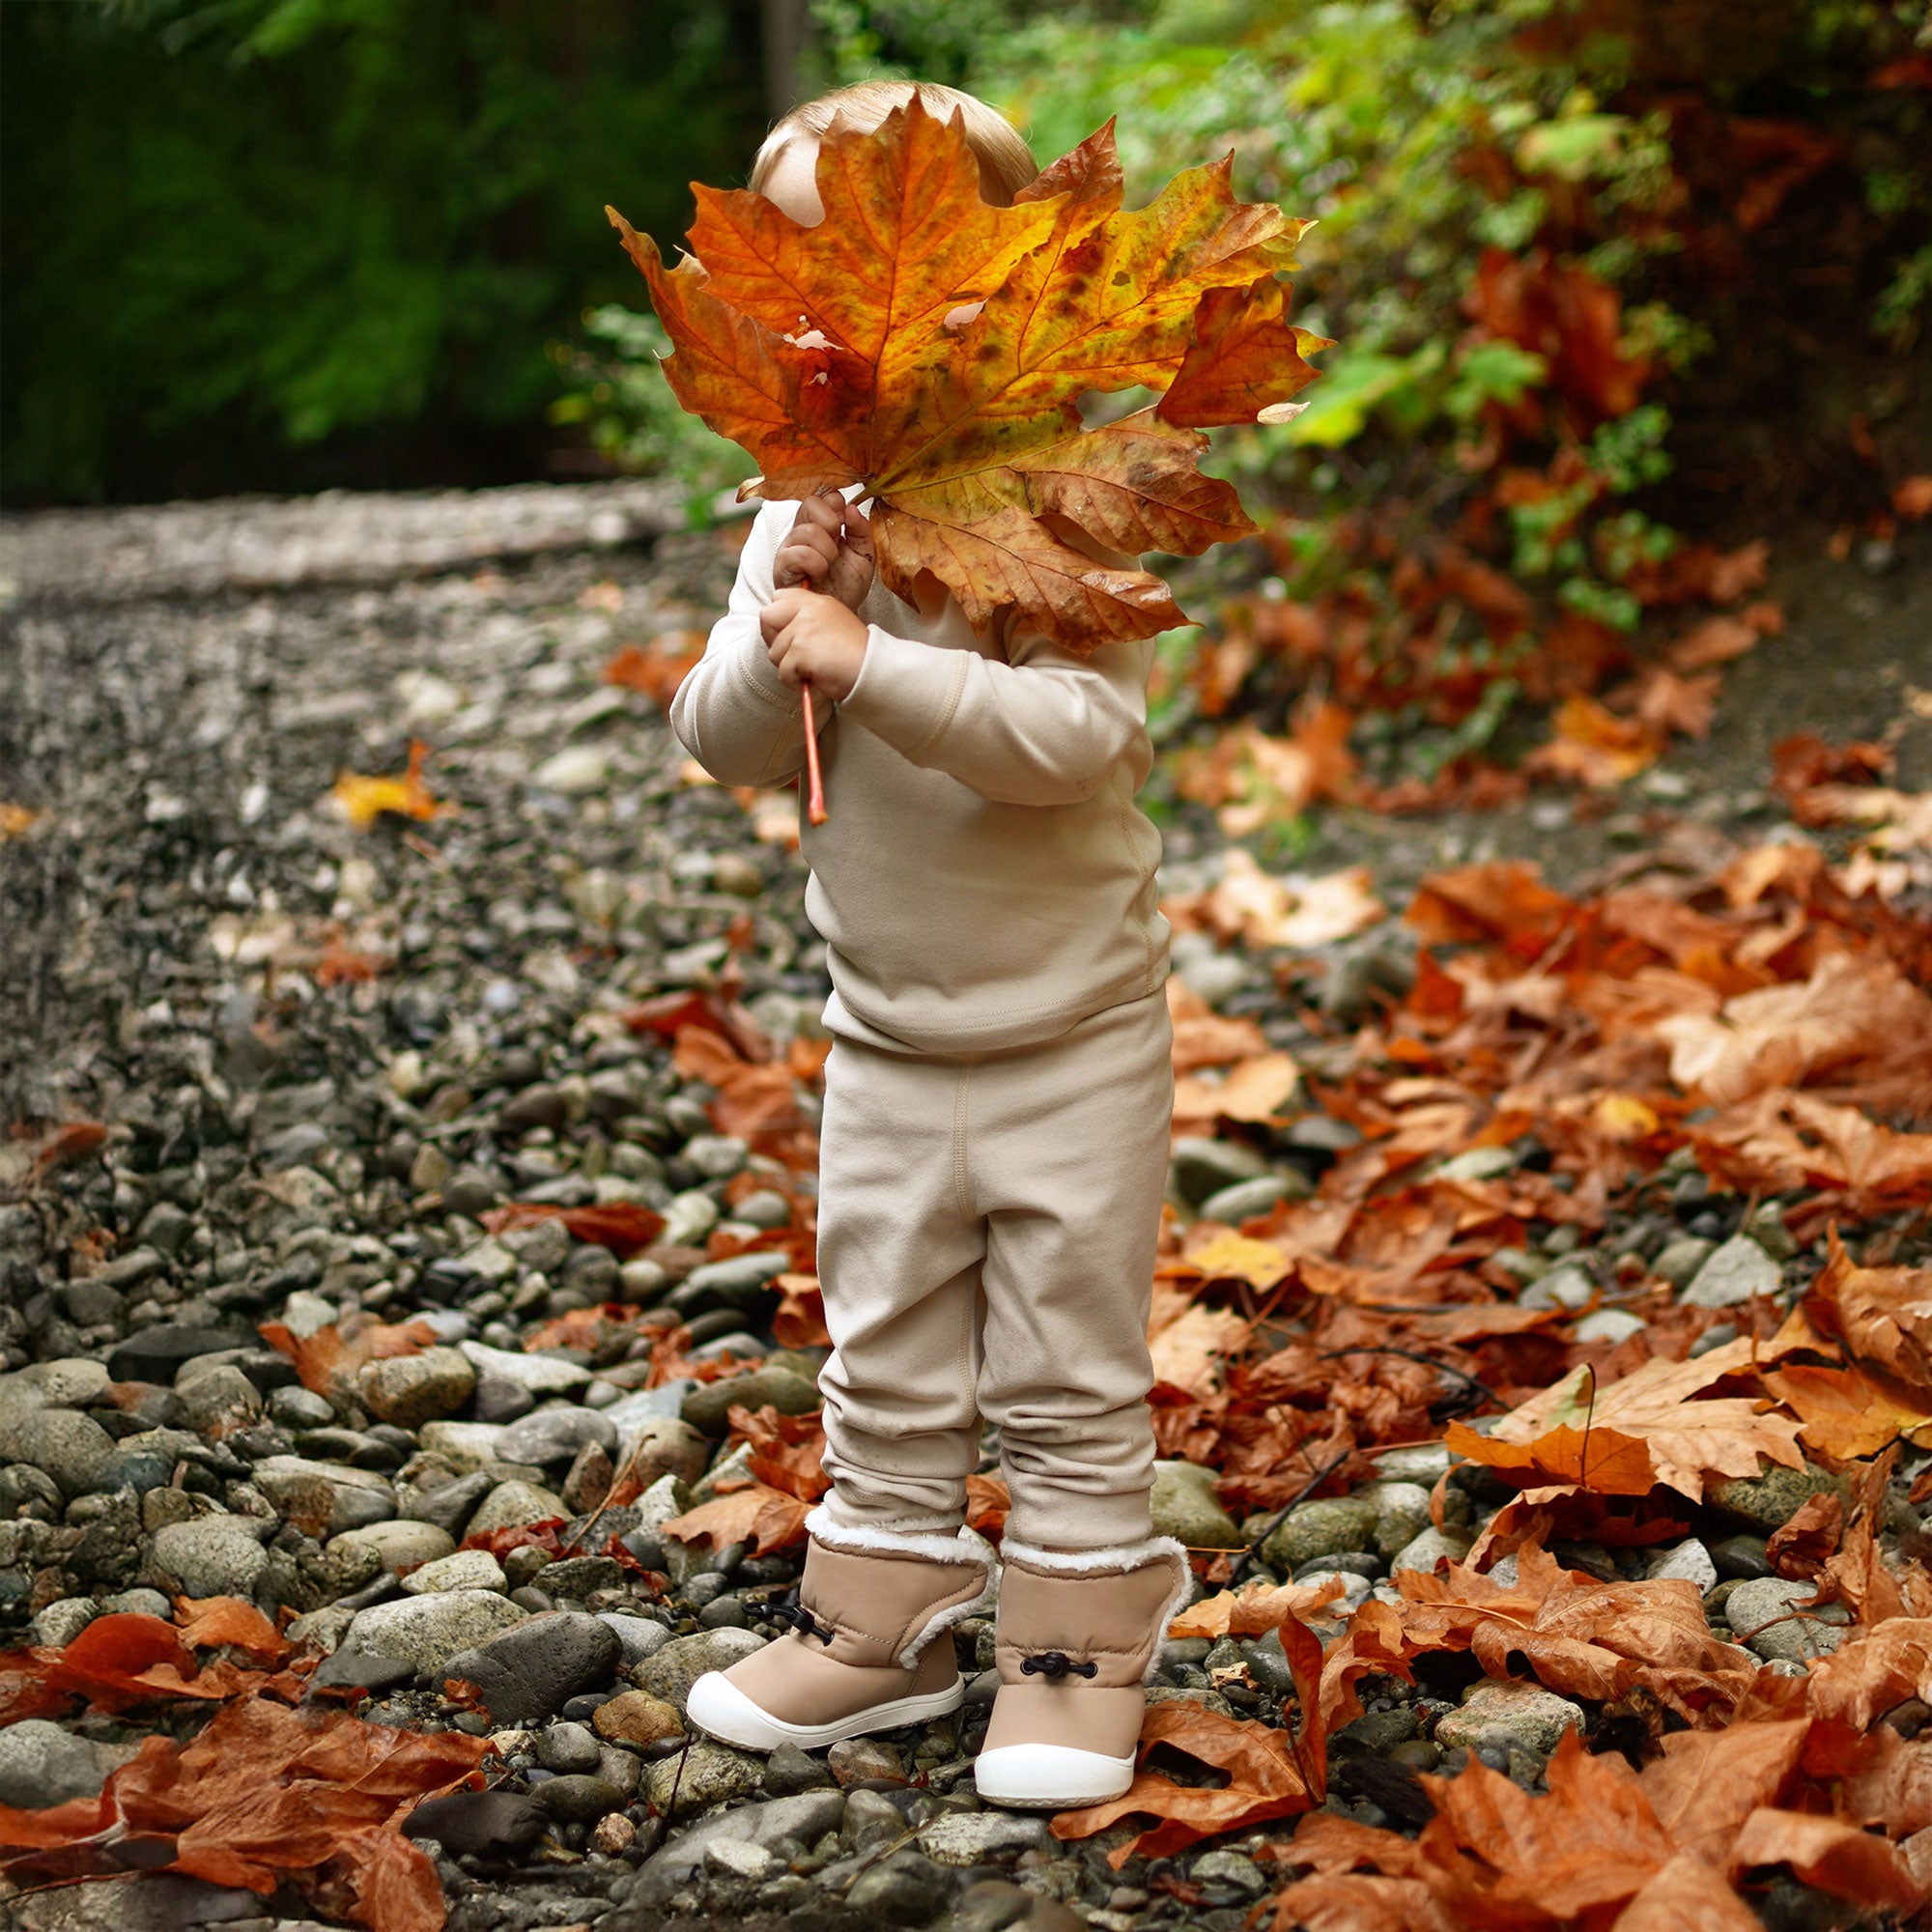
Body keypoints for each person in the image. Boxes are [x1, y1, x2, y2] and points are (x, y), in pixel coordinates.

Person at [669, 78, 1187, 1811]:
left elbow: (1079, 748)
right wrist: (784, 622)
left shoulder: (1061, 498)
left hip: (1071, 1034)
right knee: (882, 1340)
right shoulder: (801, 511)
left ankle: (1080, 1635)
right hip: (883, 1030)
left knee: (1062, 1356)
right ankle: (887, 1612)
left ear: (1011, 282)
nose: (842, 325)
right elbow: (723, 737)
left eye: (892, 279)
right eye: (796, 290)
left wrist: (871, 663)